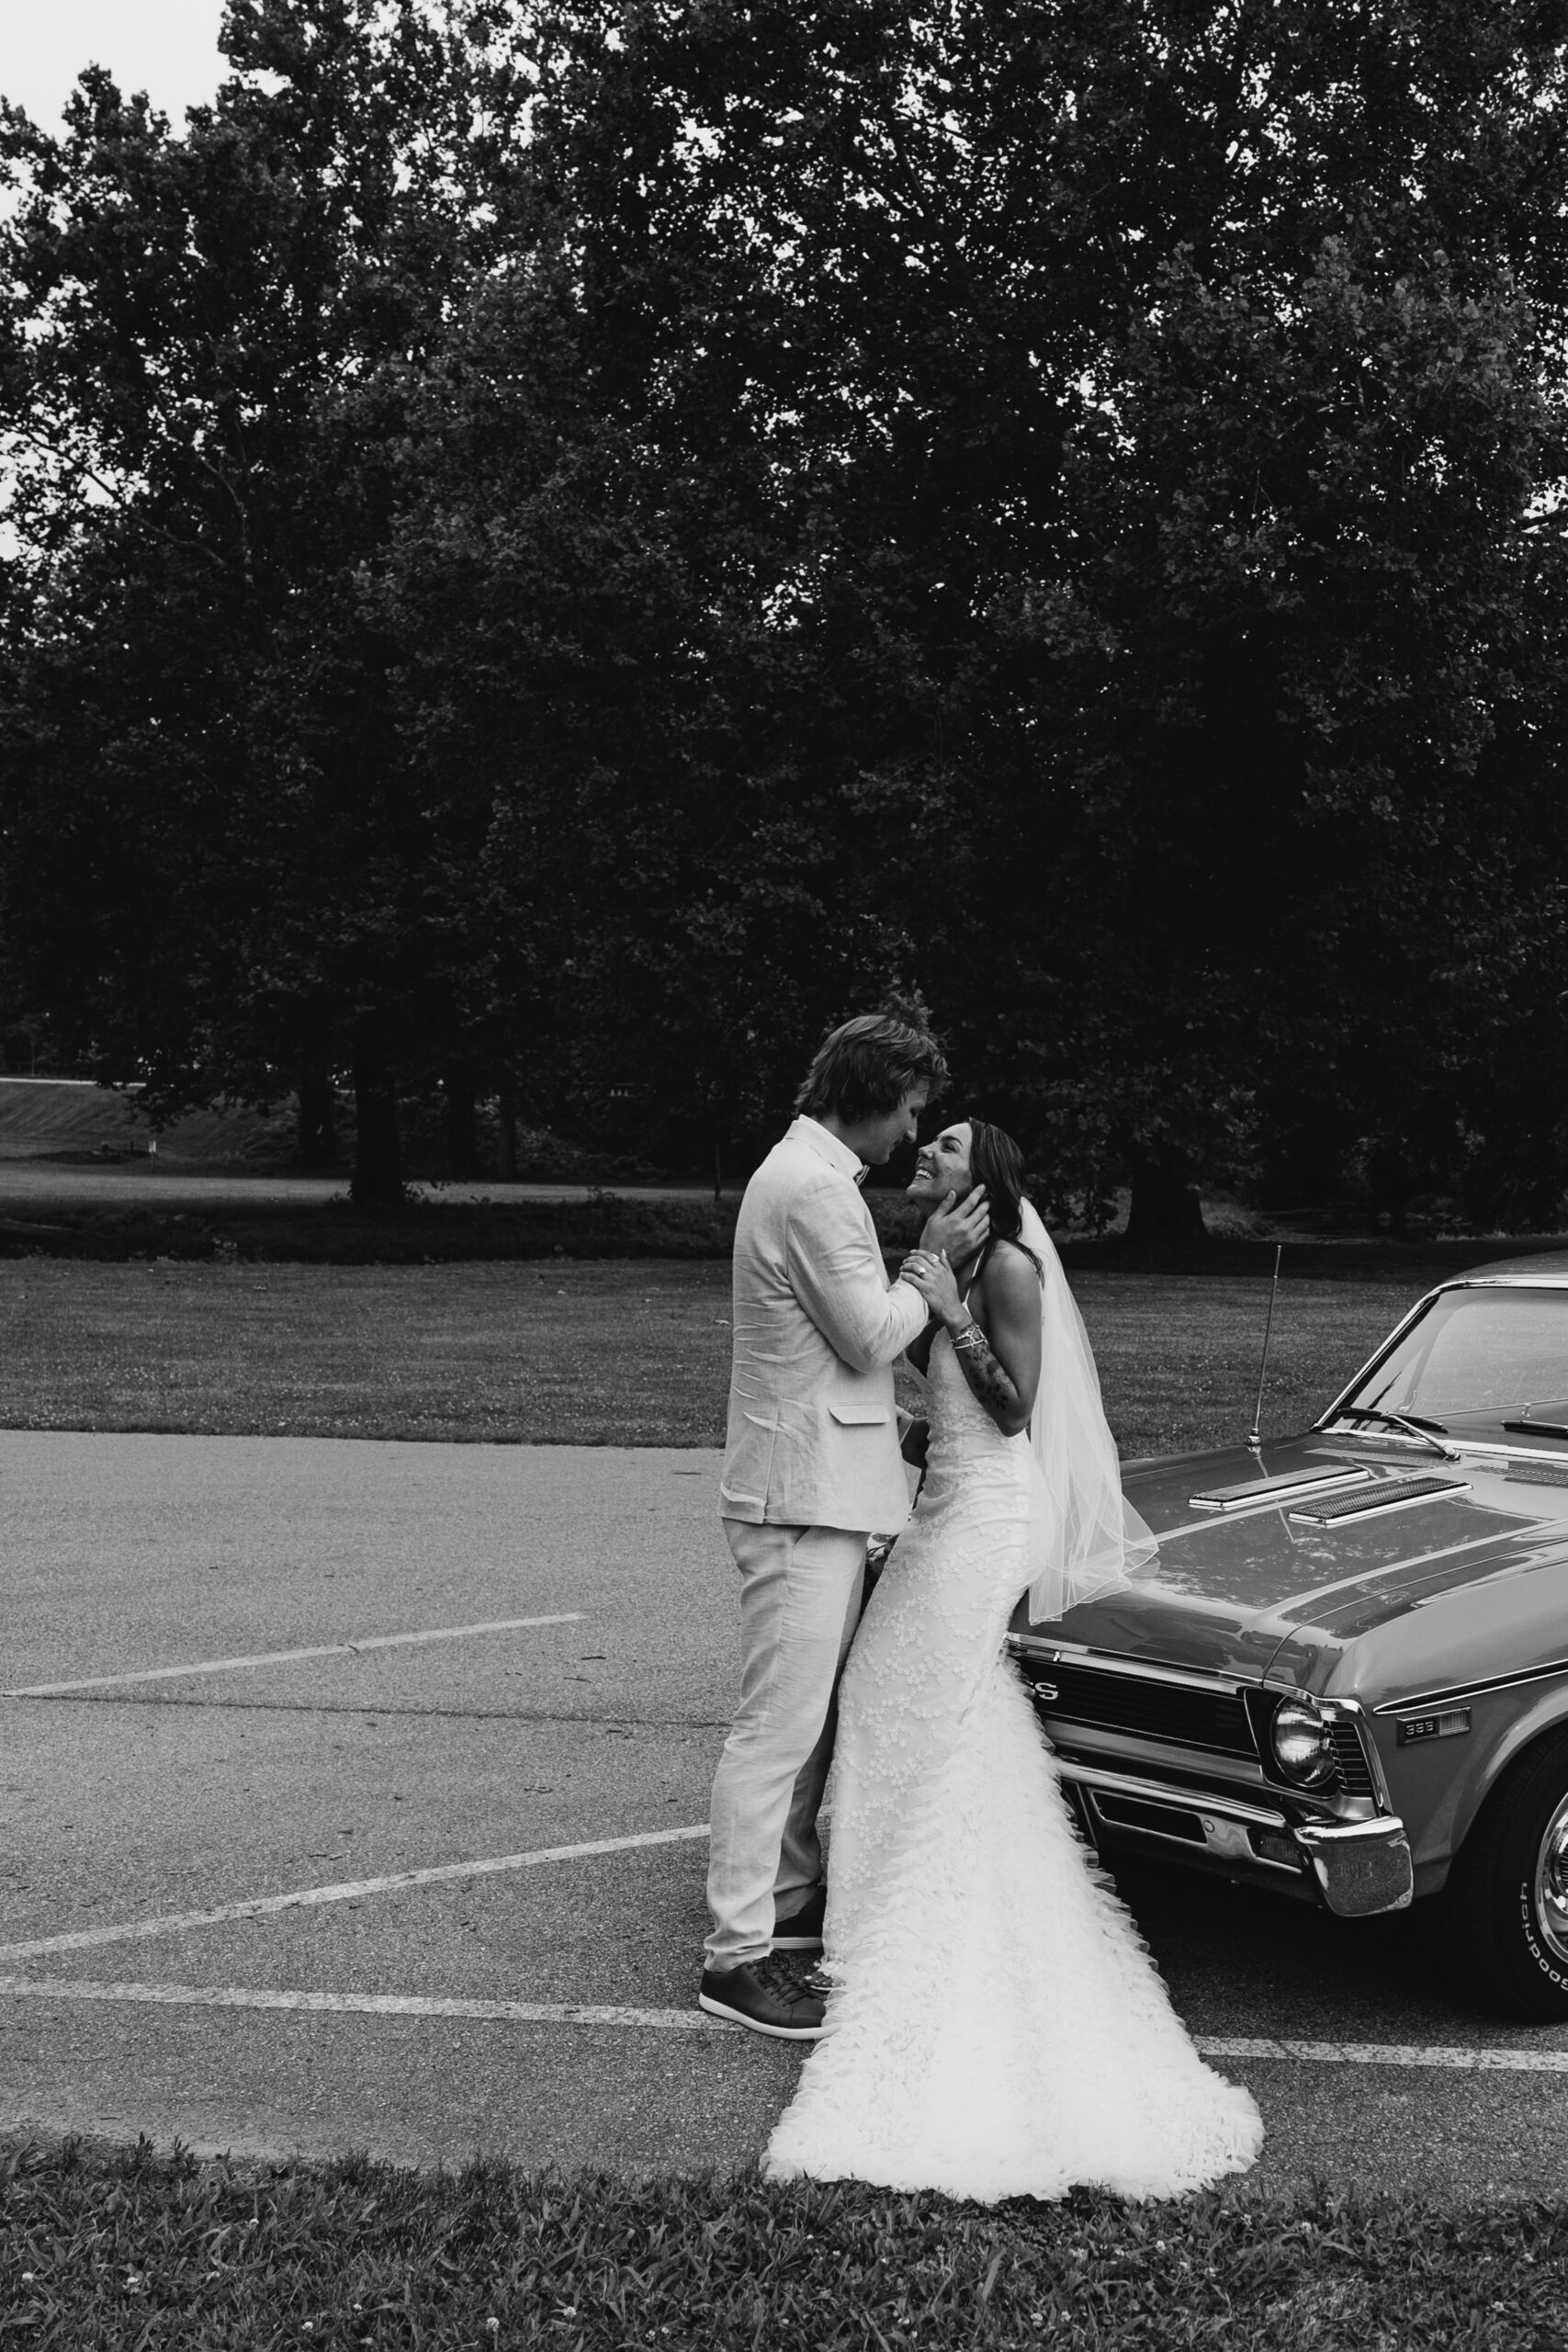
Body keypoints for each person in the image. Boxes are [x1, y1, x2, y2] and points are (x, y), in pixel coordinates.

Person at [763, 1118, 1263, 2198]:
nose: (926, 1151)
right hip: (941, 1509)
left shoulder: (1014, 1271)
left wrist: (948, 1312)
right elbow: (932, 1413)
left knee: (921, 1692)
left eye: (944, 1145)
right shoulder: (954, 1258)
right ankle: (871, 1905)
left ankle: (931, 1921)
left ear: (981, 1177)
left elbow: (1012, 1409)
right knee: (896, 1690)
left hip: (992, 1518)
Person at [699, 1015, 990, 2039]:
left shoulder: (808, 1175)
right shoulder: (815, 1187)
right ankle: (735, 1959)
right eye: (912, 1108)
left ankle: (782, 1907)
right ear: (873, 1090)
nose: (915, 1131)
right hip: (799, 1498)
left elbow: (826, 1352)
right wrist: (932, 1263)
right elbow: (869, 1330)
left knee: (803, 1721)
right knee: (775, 1728)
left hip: (821, 1484)